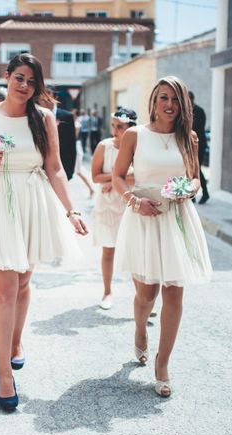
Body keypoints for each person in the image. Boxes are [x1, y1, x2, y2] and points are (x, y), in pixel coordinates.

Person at [0, 53, 88, 411]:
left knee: (22, 282)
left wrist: (72, 210)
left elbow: (55, 168)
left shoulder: (45, 118)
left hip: (34, 202)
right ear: (7, 77)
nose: (24, 86)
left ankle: (16, 341)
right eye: (19, 78)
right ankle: (4, 373)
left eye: (32, 81)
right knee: (4, 288)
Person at [112, 76, 212, 397]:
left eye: (176, 100)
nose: (170, 105)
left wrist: (188, 190)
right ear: (154, 101)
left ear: (184, 105)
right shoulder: (134, 135)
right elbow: (117, 176)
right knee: (147, 293)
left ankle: (163, 362)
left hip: (177, 218)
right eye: (164, 98)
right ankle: (140, 330)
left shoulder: (189, 138)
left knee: (174, 292)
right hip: (144, 215)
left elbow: (195, 178)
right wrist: (135, 201)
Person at [90, 107, 137, 310]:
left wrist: (116, 179)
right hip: (108, 204)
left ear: (131, 128)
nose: (115, 131)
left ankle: (141, 296)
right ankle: (107, 291)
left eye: (120, 127)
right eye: (114, 126)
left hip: (129, 202)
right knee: (108, 251)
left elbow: (140, 176)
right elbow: (95, 177)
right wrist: (115, 178)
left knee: (134, 251)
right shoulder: (104, 146)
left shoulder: (138, 147)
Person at [37, 88, 77, 181]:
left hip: (62, 164)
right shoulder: (35, 116)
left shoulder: (67, 116)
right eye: (41, 97)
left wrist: (70, 171)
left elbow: (71, 144)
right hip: (41, 167)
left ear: (55, 97)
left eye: (48, 95)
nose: (44, 98)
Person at [189, 91, 209, 204]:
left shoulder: (199, 111)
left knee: (196, 169)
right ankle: (193, 195)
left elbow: (195, 128)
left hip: (199, 144)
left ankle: (205, 193)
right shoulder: (187, 111)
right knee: (192, 169)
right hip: (190, 144)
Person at [73, 110, 96, 197]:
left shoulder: (77, 124)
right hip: (76, 147)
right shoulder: (76, 123)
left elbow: (74, 136)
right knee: (78, 172)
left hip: (76, 147)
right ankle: (91, 189)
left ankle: (91, 189)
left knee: (79, 172)